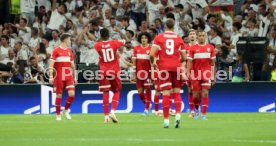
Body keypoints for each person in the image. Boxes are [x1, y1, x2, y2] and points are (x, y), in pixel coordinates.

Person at [150, 19, 186, 128]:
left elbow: (151, 54)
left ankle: (166, 120)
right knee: (177, 93)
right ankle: (178, 114)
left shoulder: (159, 38)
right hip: (176, 68)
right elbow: (184, 58)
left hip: (164, 68)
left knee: (166, 93)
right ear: (174, 27)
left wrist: (153, 64)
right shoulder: (179, 39)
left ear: (165, 26)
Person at [94, 28, 125, 123]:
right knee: (117, 91)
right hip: (114, 71)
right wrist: (119, 31)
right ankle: (113, 111)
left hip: (103, 72)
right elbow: (124, 40)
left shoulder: (97, 45)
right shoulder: (114, 43)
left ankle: (106, 116)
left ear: (101, 35)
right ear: (109, 35)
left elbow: (97, 43)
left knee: (105, 92)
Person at [187, 30, 216, 120]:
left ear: (205, 36)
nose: (201, 37)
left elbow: (213, 63)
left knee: (205, 94)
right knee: (195, 96)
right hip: (195, 74)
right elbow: (189, 62)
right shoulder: (193, 48)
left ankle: (203, 114)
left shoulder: (210, 48)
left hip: (206, 74)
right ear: (197, 37)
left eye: (203, 35)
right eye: (199, 36)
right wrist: (188, 73)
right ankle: (196, 110)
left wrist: (213, 76)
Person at [49, 33, 77, 121]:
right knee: (59, 95)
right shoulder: (56, 50)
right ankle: (58, 115)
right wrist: (50, 76)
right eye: (69, 39)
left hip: (68, 75)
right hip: (59, 76)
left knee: (72, 94)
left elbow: (73, 66)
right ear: (65, 40)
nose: (70, 41)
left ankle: (65, 110)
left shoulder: (69, 51)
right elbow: (51, 64)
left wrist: (75, 77)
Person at [132, 32, 152, 116]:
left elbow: (152, 62)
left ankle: (146, 109)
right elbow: (134, 62)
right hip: (139, 73)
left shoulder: (151, 49)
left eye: (145, 38)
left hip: (148, 73)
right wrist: (134, 74)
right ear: (140, 39)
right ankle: (148, 104)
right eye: (142, 38)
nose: (143, 39)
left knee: (147, 90)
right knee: (140, 93)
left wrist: (153, 73)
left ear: (148, 39)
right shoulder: (136, 48)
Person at [185, 29, 198, 118]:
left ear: (196, 36)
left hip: (198, 72)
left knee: (197, 92)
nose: (192, 35)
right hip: (189, 72)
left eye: (193, 34)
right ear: (188, 36)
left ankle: (197, 108)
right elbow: (182, 61)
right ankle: (192, 111)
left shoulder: (199, 46)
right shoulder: (185, 48)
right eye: (190, 34)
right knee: (190, 91)